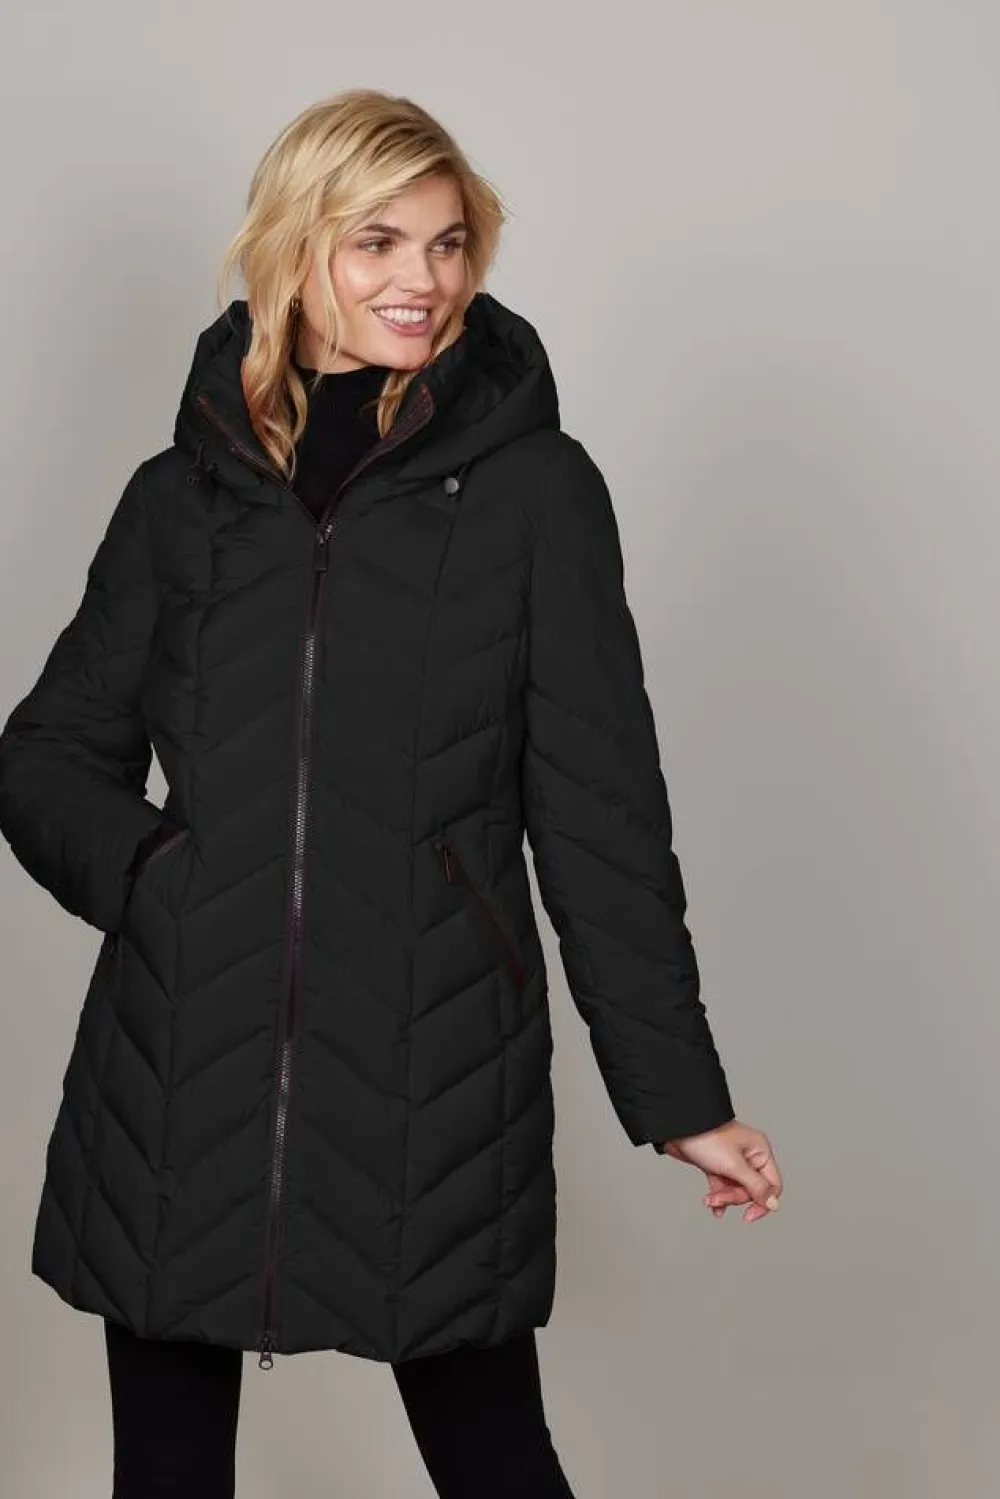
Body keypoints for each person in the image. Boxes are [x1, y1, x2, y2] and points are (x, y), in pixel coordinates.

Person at [0, 87, 783, 1497]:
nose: (422, 279)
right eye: (377, 241)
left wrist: (680, 1095)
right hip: (182, 1059)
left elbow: (602, 819)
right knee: (165, 1471)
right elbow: (49, 751)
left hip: (437, 1061)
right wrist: (159, 880)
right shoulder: (181, 501)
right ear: (294, 251)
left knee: (492, 1458)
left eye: (447, 242)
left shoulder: (536, 496)